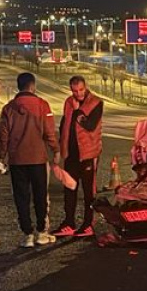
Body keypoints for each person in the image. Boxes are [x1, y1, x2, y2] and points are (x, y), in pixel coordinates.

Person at [0, 72, 61, 248]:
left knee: (21, 197)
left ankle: (27, 234)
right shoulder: (42, 105)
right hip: (37, 159)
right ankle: (41, 232)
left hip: (17, 160)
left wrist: (1, 157)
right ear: (32, 86)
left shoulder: (8, 108)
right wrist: (55, 150)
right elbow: (49, 132)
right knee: (40, 196)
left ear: (19, 87)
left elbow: (4, 136)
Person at [56, 76, 104, 237]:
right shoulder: (68, 102)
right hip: (71, 154)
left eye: (81, 90)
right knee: (69, 189)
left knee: (88, 191)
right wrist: (60, 148)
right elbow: (64, 125)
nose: (78, 94)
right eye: (75, 91)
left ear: (86, 87)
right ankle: (69, 222)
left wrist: (78, 111)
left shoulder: (96, 102)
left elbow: (90, 125)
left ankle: (88, 224)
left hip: (88, 154)